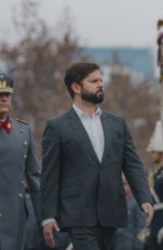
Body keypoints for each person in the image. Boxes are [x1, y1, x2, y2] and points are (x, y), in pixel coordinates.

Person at [40, 62, 153, 250]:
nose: (101, 84)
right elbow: (49, 175)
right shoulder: (57, 126)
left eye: (101, 80)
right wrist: (48, 217)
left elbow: (133, 164)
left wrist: (145, 198)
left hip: (111, 212)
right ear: (76, 87)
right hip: (77, 213)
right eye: (94, 81)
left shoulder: (118, 123)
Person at [0, 73, 41, 250]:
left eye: (8, 94)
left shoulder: (23, 131)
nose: (4, 98)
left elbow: (35, 179)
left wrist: (45, 219)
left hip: (16, 219)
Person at [145, 120, 163, 250]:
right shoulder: (153, 173)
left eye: (154, 151)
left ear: (162, 152)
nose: (150, 154)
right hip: (154, 219)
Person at [111, 175, 146, 250]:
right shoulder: (115, 202)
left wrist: (138, 245)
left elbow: (141, 225)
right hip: (116, 242)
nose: (123, 187)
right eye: (122, 184)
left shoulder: (136, 203)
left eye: (126, 184)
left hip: (130, 242)